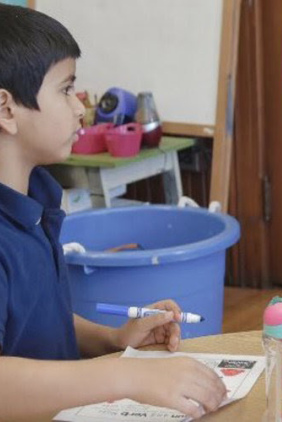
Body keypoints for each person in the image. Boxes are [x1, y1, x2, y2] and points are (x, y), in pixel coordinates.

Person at [0, 5, 225, 419]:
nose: (79, 108)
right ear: (7, 110)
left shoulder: (34, 203)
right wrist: (126, 377)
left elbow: (33, 321)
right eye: (65, 90)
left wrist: (113, 340)